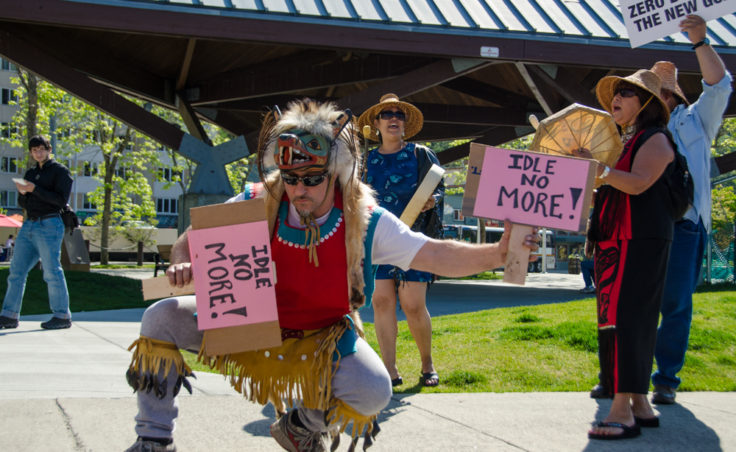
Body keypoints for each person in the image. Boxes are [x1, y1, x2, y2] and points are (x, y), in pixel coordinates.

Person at [123, 99, 538, 452]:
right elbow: (192, 238)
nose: (298, 189)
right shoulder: (259, 200)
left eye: (310, 179)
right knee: (161, 318)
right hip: (252, 325)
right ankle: (154, 439)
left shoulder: (365, 219)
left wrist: (499, 254)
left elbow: (432, 254)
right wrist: (183, 260)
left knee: (375, 389)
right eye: (290, 178)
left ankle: (303, 426)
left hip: (323, 339)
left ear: (334, 174)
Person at [582, 69, 676, 440]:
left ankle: (622, 411)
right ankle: (640, 404)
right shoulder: (625, 140)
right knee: (614, 322)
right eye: (615, 93)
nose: (614, 99)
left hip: (641, 242)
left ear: (647, 104)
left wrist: (601, 170)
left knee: (628, 321)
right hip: (615, 242)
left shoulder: (655, 138)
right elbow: (612, 186)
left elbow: (638, 184)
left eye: (625, 93)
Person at [649, 15, 732, 406]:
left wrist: (699, 41)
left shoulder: (696, 120)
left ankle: (665, 378)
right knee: (632, 301)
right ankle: (622, 374)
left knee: (676, 303)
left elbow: (720, 84)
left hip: (684, 226)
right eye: (647, 94)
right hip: (642, 225)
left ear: (674, 97)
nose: (654, 101)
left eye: (659, 94)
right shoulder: (628, 131)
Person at [358, 93, 444, 388]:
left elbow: (439, 189)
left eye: (399, 114)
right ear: (376, 123)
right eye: (387, 114)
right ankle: (389, 370)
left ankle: (427, 364)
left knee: (412, 304)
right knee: (381, 302)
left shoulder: (421, 154)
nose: (394, 118)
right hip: (377, 240)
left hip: (412, 239)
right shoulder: (365, 160)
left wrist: (434, 201)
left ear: (405, 124)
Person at [0, 135, 73, 330]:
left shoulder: (60, 172)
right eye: (34, 150)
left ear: (49, 149)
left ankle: (62, 315)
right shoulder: (31, 173)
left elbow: (60, 201)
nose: (38, 153)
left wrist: (35, 189)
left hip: (49, 224)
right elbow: (23, 203)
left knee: (51, 271)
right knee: (16, 272)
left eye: (41, 149)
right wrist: (24, 194)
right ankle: (9, 315)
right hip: (29, 225)